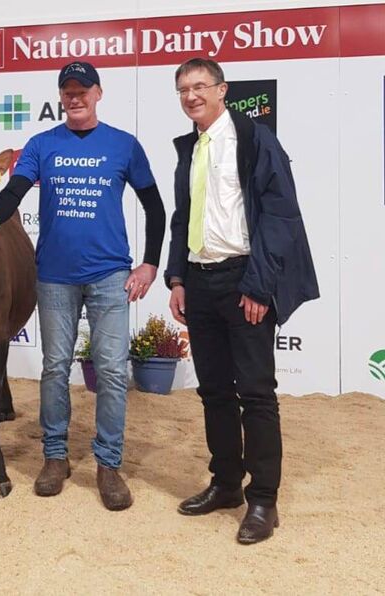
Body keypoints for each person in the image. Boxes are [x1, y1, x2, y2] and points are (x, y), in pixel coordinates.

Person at [0, 61, 165, 510]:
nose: (75, 96)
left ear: (99, 93)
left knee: (114, 371)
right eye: (68, 90)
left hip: (110, 276)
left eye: (83, 89)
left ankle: (108, 463)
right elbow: (16, 190)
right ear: (61, 96)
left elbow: (155, 208)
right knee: (55, 367)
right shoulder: (43, 144)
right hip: (55, 277)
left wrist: (151, 264)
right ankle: (55, 457)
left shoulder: (124, 145)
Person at [165, 58, 319, 544]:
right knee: (214, 391)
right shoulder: (190, 147)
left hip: (244, 280)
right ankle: (227, 484)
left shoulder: (254, 140)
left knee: (255, 393)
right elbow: (182, 217)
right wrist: (177, 278)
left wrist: (258, 285)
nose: (192, 96)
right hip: (201, 281)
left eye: (200, 86)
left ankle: (264, 500)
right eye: (183, 89)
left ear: (222, 89)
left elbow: (279, 215)